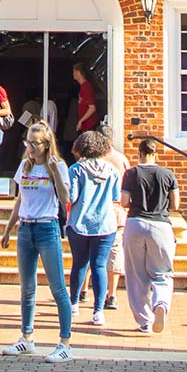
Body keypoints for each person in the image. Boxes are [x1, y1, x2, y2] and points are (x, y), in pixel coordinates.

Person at [0, 122, 75, 363]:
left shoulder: (58, 166)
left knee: (57, 287)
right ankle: (27, 337)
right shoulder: (25, 165)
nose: (30, 148)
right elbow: (20, 198)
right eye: (28, 143)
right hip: (26, 228)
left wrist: (54, 173)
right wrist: (9, 228)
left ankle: (65, 342)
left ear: (46, 144)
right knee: (27, 287)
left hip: (47, 227)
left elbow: (66, 199)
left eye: (35, 144)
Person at [121, 138, 180, 334]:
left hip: (135, 222)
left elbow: (124, 201)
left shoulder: (131, 173)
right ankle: (161, 303)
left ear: (139, 153)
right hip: (161, 225)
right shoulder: (167, 174)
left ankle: (145, 320)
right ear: (156, 154)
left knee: (136, 275)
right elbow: (175, 205)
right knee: (162, 272)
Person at [64, 130, 122, 327]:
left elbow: (72, 197)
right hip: (105, 224)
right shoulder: (112, 170)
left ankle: (73, 305)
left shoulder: (75, 170)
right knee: (99, 266)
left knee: (79, 264)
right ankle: (98, 311)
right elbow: (116, 197)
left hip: (79, 223)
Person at [101, 138, 131, 310]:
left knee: (92, 253)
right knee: (114, 253)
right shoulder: (122, 160)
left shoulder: (91, 161)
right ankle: (111, 295)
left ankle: (82, 291)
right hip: (117, 212)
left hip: (97, 214)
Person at [71, 62, 101, 134]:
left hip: (89, 125)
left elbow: (92, 108)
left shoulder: (86, 87)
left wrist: (81, 121)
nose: (73, 74)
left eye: (73, 71)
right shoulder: (83, 87)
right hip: (86, 126)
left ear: (78, 72)